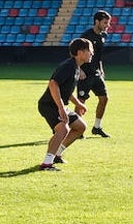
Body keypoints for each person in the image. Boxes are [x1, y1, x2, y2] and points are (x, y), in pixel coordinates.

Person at [36, 37, 92, 172]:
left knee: (80, 127)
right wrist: (61, 108)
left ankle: (57, 154)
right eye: (90, 51)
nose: (92, 53)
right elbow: (53, 84)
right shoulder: (68, 66)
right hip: (49, 105)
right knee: (63, 129)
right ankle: (46, 163)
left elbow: (66, 91)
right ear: (80, 52)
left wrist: (78, 104)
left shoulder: (76, 67)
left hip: (59, 104)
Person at [76, 10, 112, 138]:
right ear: (97, 21)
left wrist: (101, 70)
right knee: (81, 101)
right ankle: (77, 129)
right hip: (85, 74)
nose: (107, 25)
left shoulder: (103, 36)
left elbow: (99, 56)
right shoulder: (86, 36)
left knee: (104, 98)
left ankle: (97, 127)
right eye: (105, 23)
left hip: (96, 73)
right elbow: (73, 53)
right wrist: (79, 70)